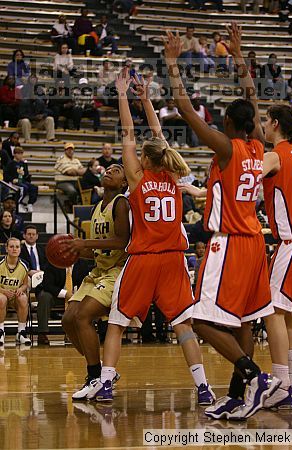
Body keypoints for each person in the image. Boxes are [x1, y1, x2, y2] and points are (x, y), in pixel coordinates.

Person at [164, 25, 280, 420]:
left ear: (229, 123)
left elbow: (184, 110)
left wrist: (172, 65)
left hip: (229, 242)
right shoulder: (258, 146)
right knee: (244, 320)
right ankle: (236, 395)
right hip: (254, 243)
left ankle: (253, 376)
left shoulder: (228, 148)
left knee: (197, 319)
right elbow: (253, 98)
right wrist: (240, 56)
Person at [87, 69, 215, 406]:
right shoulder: (172, 175)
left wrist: (122, 94)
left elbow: (128, 131)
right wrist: (146, 100)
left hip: (143, 259)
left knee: (116, 324)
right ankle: (203, 387)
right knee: (183, 325)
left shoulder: (136, 178)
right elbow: (157, 136)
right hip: (173, 259)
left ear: (144, 158)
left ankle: (106, 384)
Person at [61, 163, 129, 400]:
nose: (109, 171)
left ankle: (94, 377)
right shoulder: (97, 207)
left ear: (124, 182)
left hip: (118, 272)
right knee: (68, 319)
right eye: (108, 168)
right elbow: (97, 251)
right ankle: (101, 369)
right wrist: (74, 250)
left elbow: (122, 242)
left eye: (117, 170)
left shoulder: (121, 203)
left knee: (83, 316)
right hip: (99, 271)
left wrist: (85, 244)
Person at [260, 104, 292, 408]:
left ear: (274, 124)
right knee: (285, 310)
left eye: (265, 121)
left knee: (272, 309)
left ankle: (282, 384)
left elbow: (244, 177)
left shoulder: (275, 155)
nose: (262, 125)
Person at [35, 260, 90, 345]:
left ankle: (72, 334)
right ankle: (42, 333)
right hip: (55, 294)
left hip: (75, 294)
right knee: (44, 297)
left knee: (84, 299)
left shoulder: (82, 264)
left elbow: (85, 284)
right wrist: (65, 294)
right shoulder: (54, 262)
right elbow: (47, 285)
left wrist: (76, 295)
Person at [0, 237, 30, 346]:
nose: (14, 249)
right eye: (11, 246)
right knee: (1, 299)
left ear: (20, 249)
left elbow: (25, 284)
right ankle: (1, 331)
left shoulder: (25, 265)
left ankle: (21, 332)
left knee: (23, 298)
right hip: (2, 295)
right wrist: (3, 291)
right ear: (6, 249)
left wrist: (20, 289)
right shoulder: (0, 263)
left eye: (17, 247)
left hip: (15, 296)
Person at [4, 146, 38, 213]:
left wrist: (24, 173)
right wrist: (12, 179)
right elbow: (6, 175)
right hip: (13, 182)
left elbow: (26, 174)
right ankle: (18, 204)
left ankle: (30, 204)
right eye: (18, 153)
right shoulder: (10, 163)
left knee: (34, 188)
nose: (20, 155)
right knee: (23, 188)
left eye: (21, 153)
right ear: (14, 154)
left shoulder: (23, 163)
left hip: (22, 180)